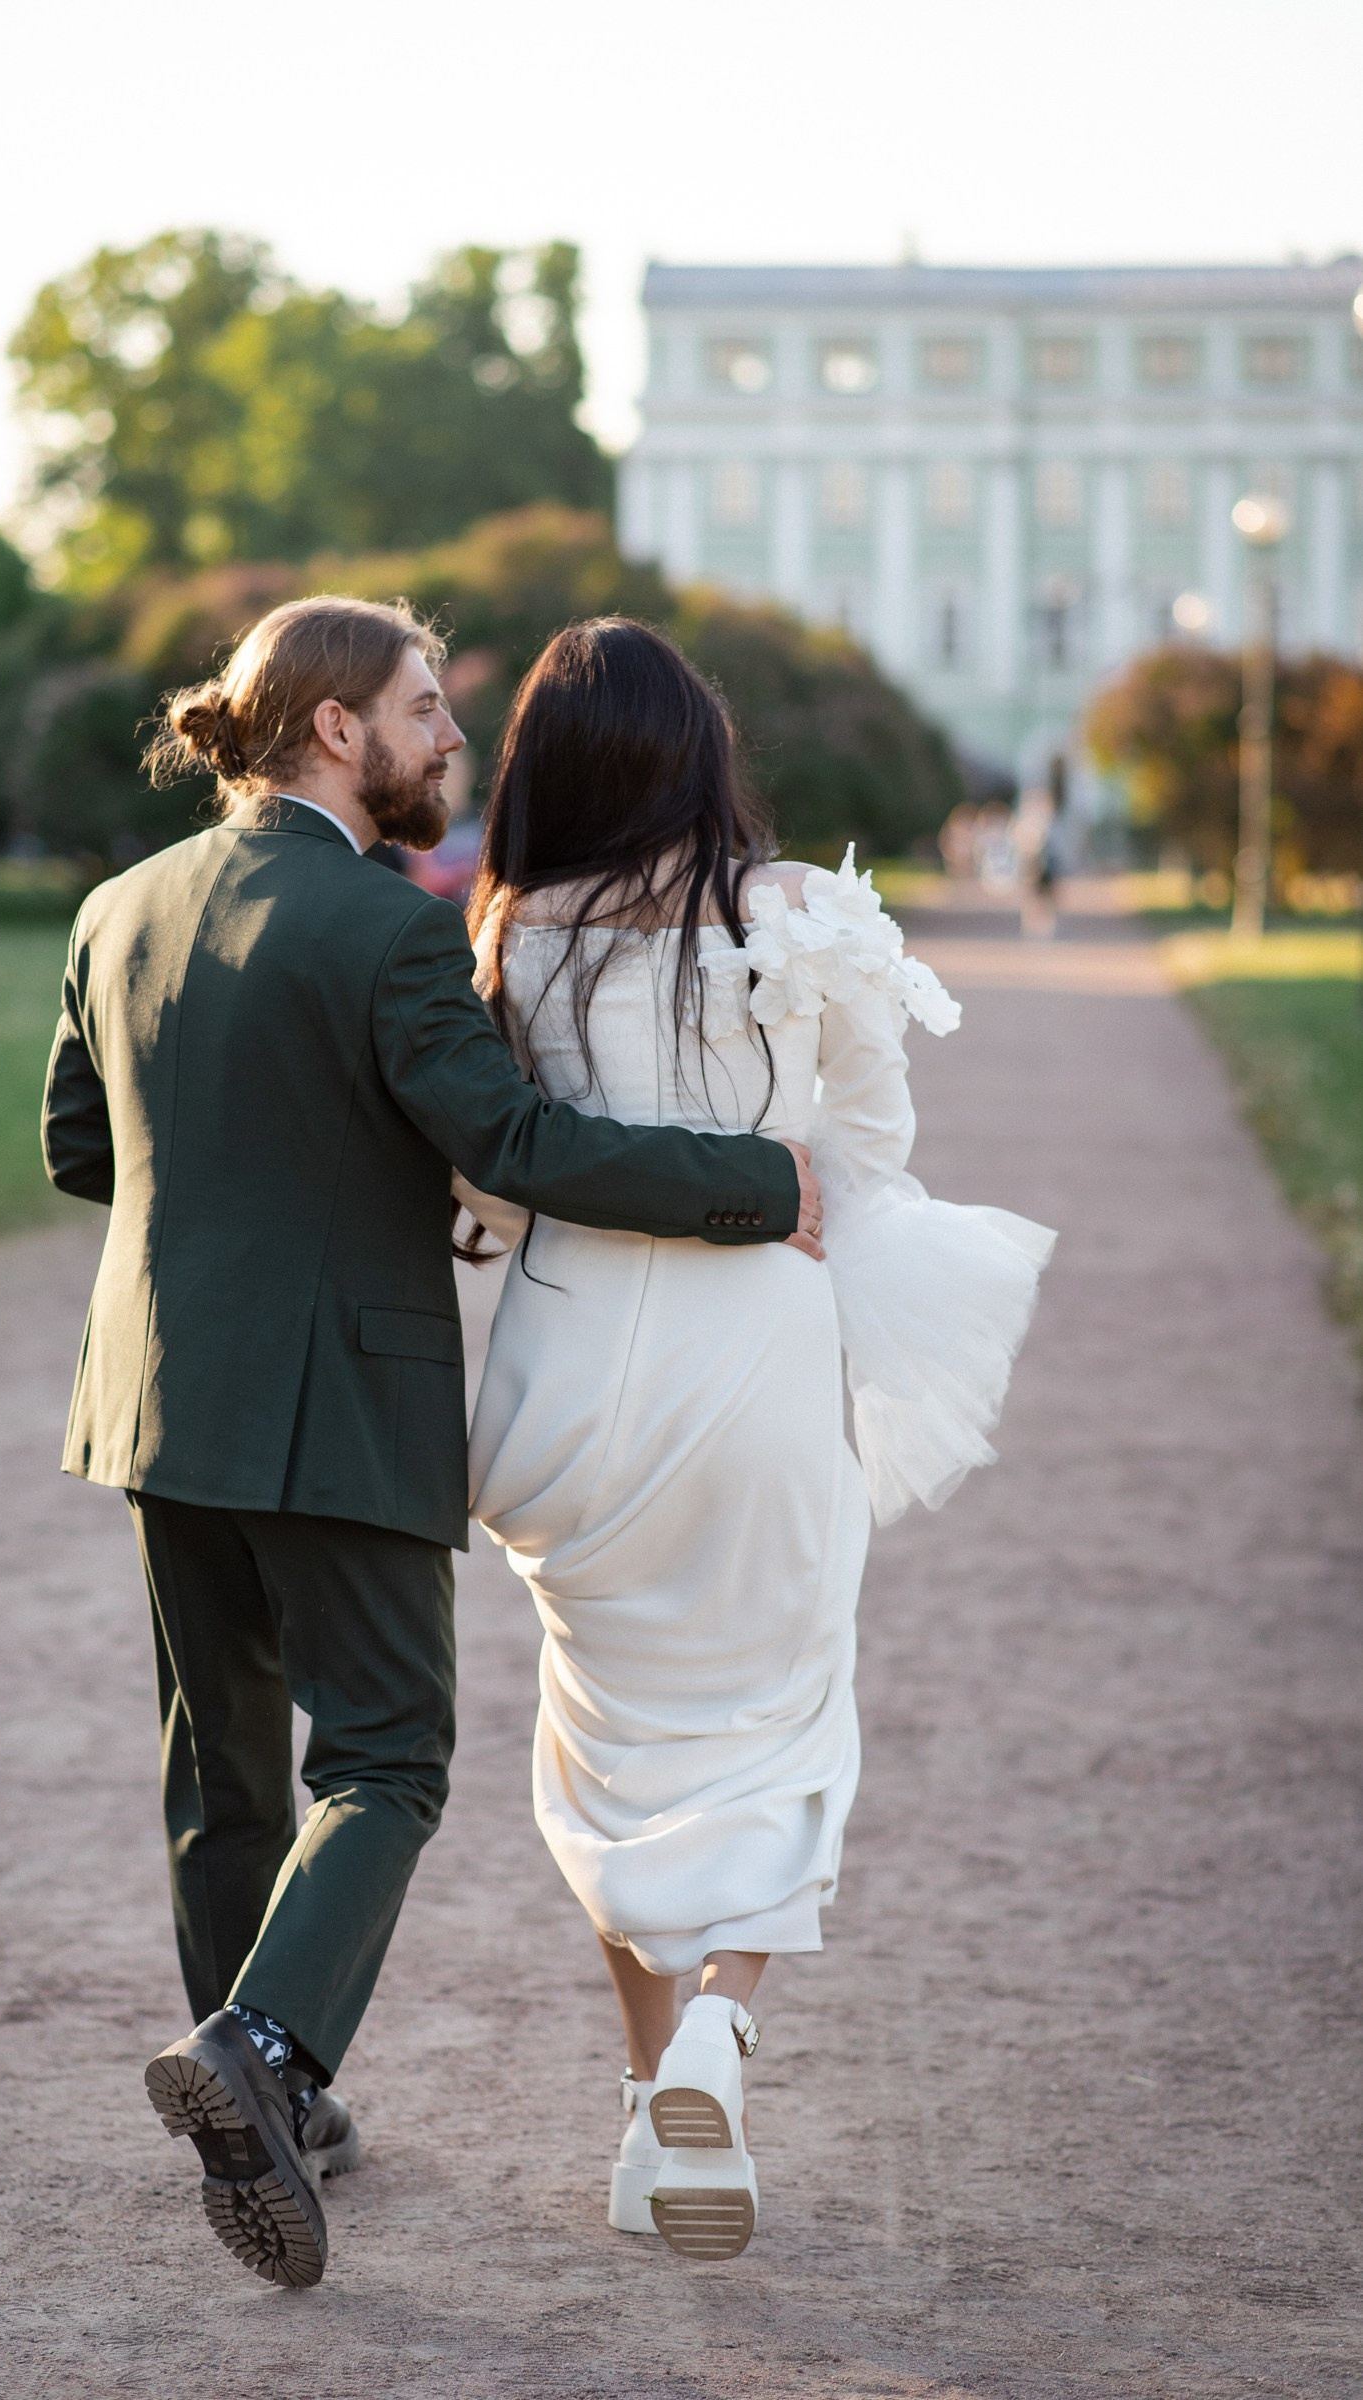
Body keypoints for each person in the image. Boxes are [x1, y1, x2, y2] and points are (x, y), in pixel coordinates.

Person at [39, 596, 824, 2291]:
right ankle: (264, 2056)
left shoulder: (118, 909)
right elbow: (515, 1139)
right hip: (340, 1398)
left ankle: (264, 2088)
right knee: (384, 1758)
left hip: (155, 1396)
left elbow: (78, 1152)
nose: (449, 742)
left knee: (221, 1769)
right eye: (423, 710)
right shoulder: (387, 928)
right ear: (336, 729)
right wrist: (759, 1189)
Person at [460, 620, 1055, 2260]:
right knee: (785, 1719)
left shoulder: (505, 938)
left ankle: (655, 2120)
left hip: (563, 1379)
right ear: (701, 753)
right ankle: (724, 2020)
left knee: (607, 1743)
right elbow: (864, 1142)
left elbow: (488, 1179)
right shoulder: (796, 917)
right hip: (754, 1361)